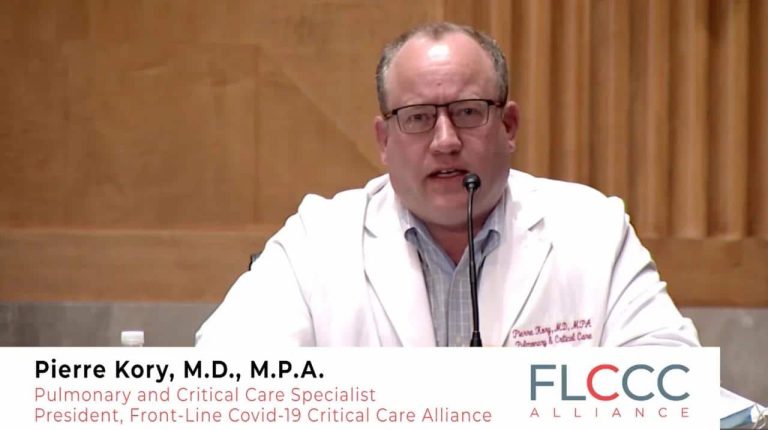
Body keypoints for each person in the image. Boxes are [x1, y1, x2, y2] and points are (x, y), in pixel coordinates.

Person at [196, 22, 699, 348]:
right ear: (384, 140)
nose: (445, 141)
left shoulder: (592, 229)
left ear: (509, 126)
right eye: (417, 117)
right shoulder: (317, 240)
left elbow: (668, 377)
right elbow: (228, 375)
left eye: (468, 112)